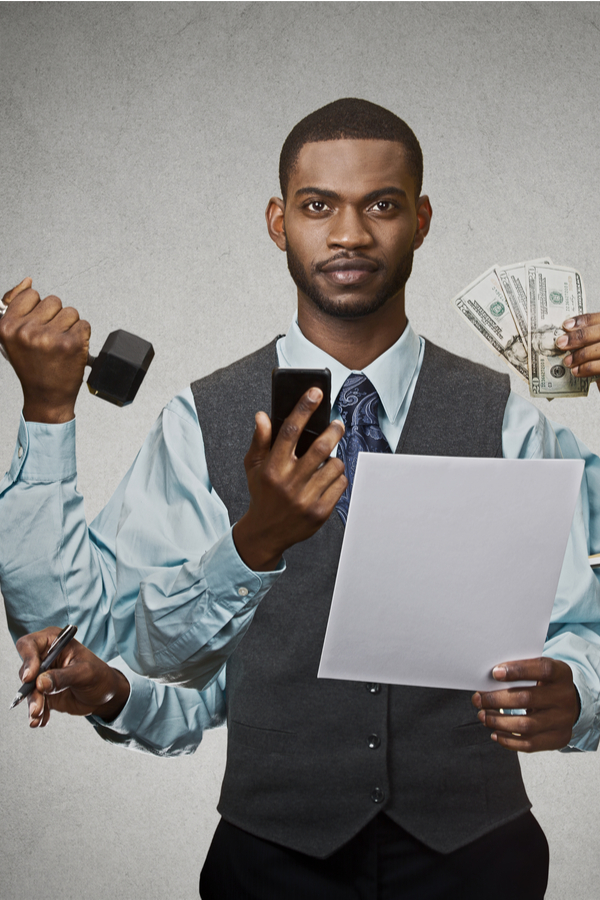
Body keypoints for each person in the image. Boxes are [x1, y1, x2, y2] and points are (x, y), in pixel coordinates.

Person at [3, 98, 600, 900]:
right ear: (279, 222)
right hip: (271, 860)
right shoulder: (202, 419)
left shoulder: (508, 415)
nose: (350, 234)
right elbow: (93, 634)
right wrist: (48, 413)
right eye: (320, 206)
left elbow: (579, 624)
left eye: (381, 205)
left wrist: (580, 689)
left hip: (480, 855)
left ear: (421, 220)